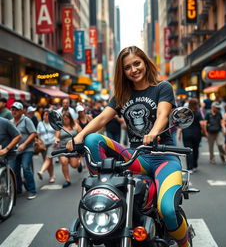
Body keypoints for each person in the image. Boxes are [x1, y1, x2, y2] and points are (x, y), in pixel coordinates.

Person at [66, 46, 191, 247]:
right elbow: (102, 119)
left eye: (137, 63)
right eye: (127, 67)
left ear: (145, 63)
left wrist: (152, 133)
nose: (133, 69)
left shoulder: (162, 87)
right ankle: (104, 188)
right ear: (122, 72)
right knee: (91, 140)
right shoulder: (122, 94)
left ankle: (185, 244)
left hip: (164, 157)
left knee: (167, 209)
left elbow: (163, 115)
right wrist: (78, 137)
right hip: (136, 157)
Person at [11, 102, 37, 199]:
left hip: (27, 149)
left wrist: (24, 144)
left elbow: (34, 133)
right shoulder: (10, 121)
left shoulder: (26, 120)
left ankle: (32, 191)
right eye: (13, 109)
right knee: (14, 169)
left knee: (26, 168)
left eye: (16, 110)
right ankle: (18, 189)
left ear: (22, 111)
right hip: (15, 150)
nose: (14, 112)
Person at [55, 111, 82, 188]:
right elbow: (56, 137)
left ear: (70, 118)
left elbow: (81, 133)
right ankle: (67, 180)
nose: (65, 120)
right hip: (63, 149)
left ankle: (79, 163)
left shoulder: (75, 125)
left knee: (74, 165)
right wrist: (56, 140)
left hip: (73, 149)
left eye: (66, 118)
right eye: (63, 119)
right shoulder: (60, 127)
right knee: (64, 162)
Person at [178, 98, 205, 172]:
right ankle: (194, 165)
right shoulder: (198, 113)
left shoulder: (186, 113)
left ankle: (189, 168)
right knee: (195, 149)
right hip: (196, 133)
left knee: (188, 150)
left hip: (186, 133)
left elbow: (181, 124)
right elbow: (202, 124)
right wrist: (204, 132)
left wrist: (179, 133)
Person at [36, 109, 56, 183]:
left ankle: (41, 171)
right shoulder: (40, 124)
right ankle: (51, 175)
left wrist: (56, 140)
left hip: (52, 143)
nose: (45, 116)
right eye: (44, 114)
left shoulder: (53, 123)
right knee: (48, 161)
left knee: (48, 158)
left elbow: (57, 132)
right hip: (43, 145)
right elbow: (37, 134)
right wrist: (38, 142)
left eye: (47, 115)